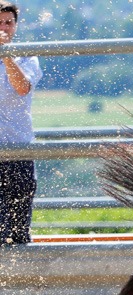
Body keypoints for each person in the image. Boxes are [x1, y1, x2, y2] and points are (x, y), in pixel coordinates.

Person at [0, 1, 42, 245]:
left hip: (19, 151)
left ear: (16, 25)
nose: (4, 28)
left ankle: (19, 280)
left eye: (9, 23)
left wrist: (5, 55)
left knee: (17, 230)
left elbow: (22, 87)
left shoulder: (26, 54)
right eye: (0, 23)